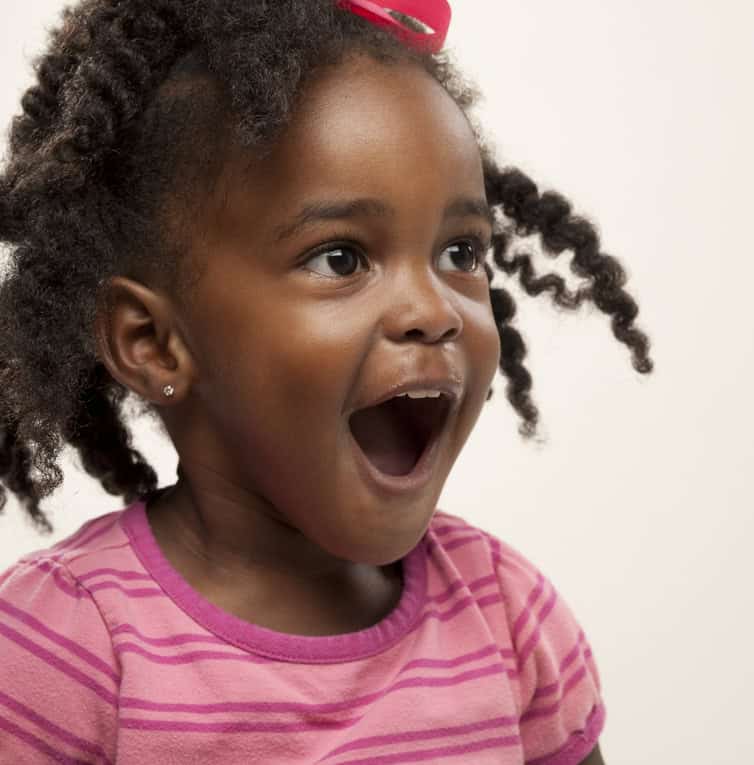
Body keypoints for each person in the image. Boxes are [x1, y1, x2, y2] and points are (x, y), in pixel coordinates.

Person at [0, 1, 653, 762]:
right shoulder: (67, 649)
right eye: (341, 257)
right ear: (154, 341)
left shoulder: (509, 618)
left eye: (462, 253)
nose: (433, 310)